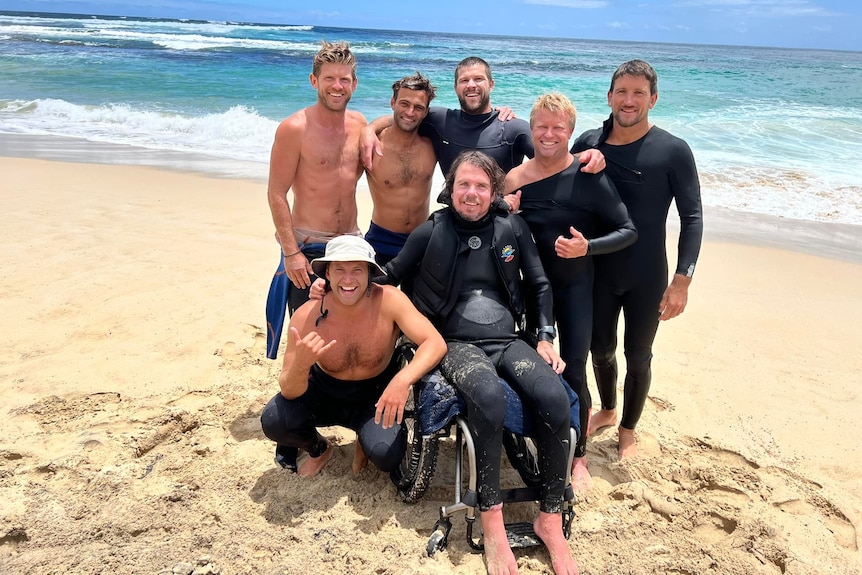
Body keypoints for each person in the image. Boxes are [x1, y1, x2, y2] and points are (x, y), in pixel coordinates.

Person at [383, 151, 579, 575]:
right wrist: (342, 279)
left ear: (494, 193)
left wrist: (545, 338)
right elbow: (389, 275)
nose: (471, 194)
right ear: (451, 189)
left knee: (554, 398)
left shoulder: (512, 227)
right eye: (463, 185)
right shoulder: (431, 232)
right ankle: (491, 519)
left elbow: (540, 284)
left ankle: (549, 519)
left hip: (509, 340)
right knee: (487, 396)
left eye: (481, 186)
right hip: (454, 342)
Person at [570, 60, 703, 458]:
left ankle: (628, 429)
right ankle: (608, 410)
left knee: (638, 356)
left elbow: (692, 216)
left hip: (647, 274)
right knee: (600, 349)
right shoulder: (588, 143)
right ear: (609, 97)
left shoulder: (673, 151)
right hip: (597, 270)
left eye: (638, 93)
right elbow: (555, 182)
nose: (629, 101)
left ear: (654, 99)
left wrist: (682, 279)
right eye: (622, 92)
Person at [504, 92, 637, 489]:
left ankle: (578, 456)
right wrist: (503, 213)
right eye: (541, 127)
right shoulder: (515, 179)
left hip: (577, 286)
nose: (549, 134)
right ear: (531, 129)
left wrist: (587, 247)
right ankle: (535, 433)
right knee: (529, 367)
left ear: (571, 132)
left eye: (558, 127)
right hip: (531, 291)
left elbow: (628, 230)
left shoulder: (589, 175)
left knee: (575, 367)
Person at [259, 236, 447, 477]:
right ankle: (320, 449)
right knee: (275, 420)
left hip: (375, 396)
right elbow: (289, 390)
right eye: (339, 269)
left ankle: (365, 438)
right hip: (324, 393)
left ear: (370, 272)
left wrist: (403, 380)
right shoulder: (307, 317)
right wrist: (301, 366)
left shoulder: (390, 300)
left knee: (386, 455)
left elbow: (435, 343)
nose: (348, 280)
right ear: (327, 273)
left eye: (357, 270)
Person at [265, 40, 366, 360]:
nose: (337, 86)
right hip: (307, 247)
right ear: (314, 81)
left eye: (344, 79)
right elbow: (276, 193)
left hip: (350, 242)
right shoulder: (294, 128)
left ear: (354, 83)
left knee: (350, 325)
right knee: (308, 328)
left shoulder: (360, 124)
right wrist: (291, 252)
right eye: (329, 79)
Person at [360, 56, 605, 178]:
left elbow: (552, 161)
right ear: (456, 87)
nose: (471, 85)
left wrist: (586, 155)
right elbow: (404, 117)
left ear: (492, 84)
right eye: (464, 80)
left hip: (501, 227)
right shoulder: (438, 120)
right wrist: (370, 129)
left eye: (478, 79)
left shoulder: (513, 128)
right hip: (455, 223)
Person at [364, 72, 438, 266]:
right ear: (393, 103)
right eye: (404, 104)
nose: (410, 112)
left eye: (418, 107)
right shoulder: (371, 145)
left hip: (420, 239)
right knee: (371, 295)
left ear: (426, 111)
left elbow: (467, 127)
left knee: (420, 297)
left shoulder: (433, 143)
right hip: (381, 238)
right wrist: (369, 129)